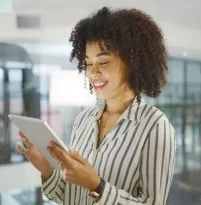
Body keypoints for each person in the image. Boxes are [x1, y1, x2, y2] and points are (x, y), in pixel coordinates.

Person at [17, 6, 176, 205]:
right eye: (88, 63)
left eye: (104, 62)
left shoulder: (155, 127)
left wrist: (97, 186)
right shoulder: (84, 120)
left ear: (133, 62)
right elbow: (70, 197)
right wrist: (47, 169)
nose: (93, 72)